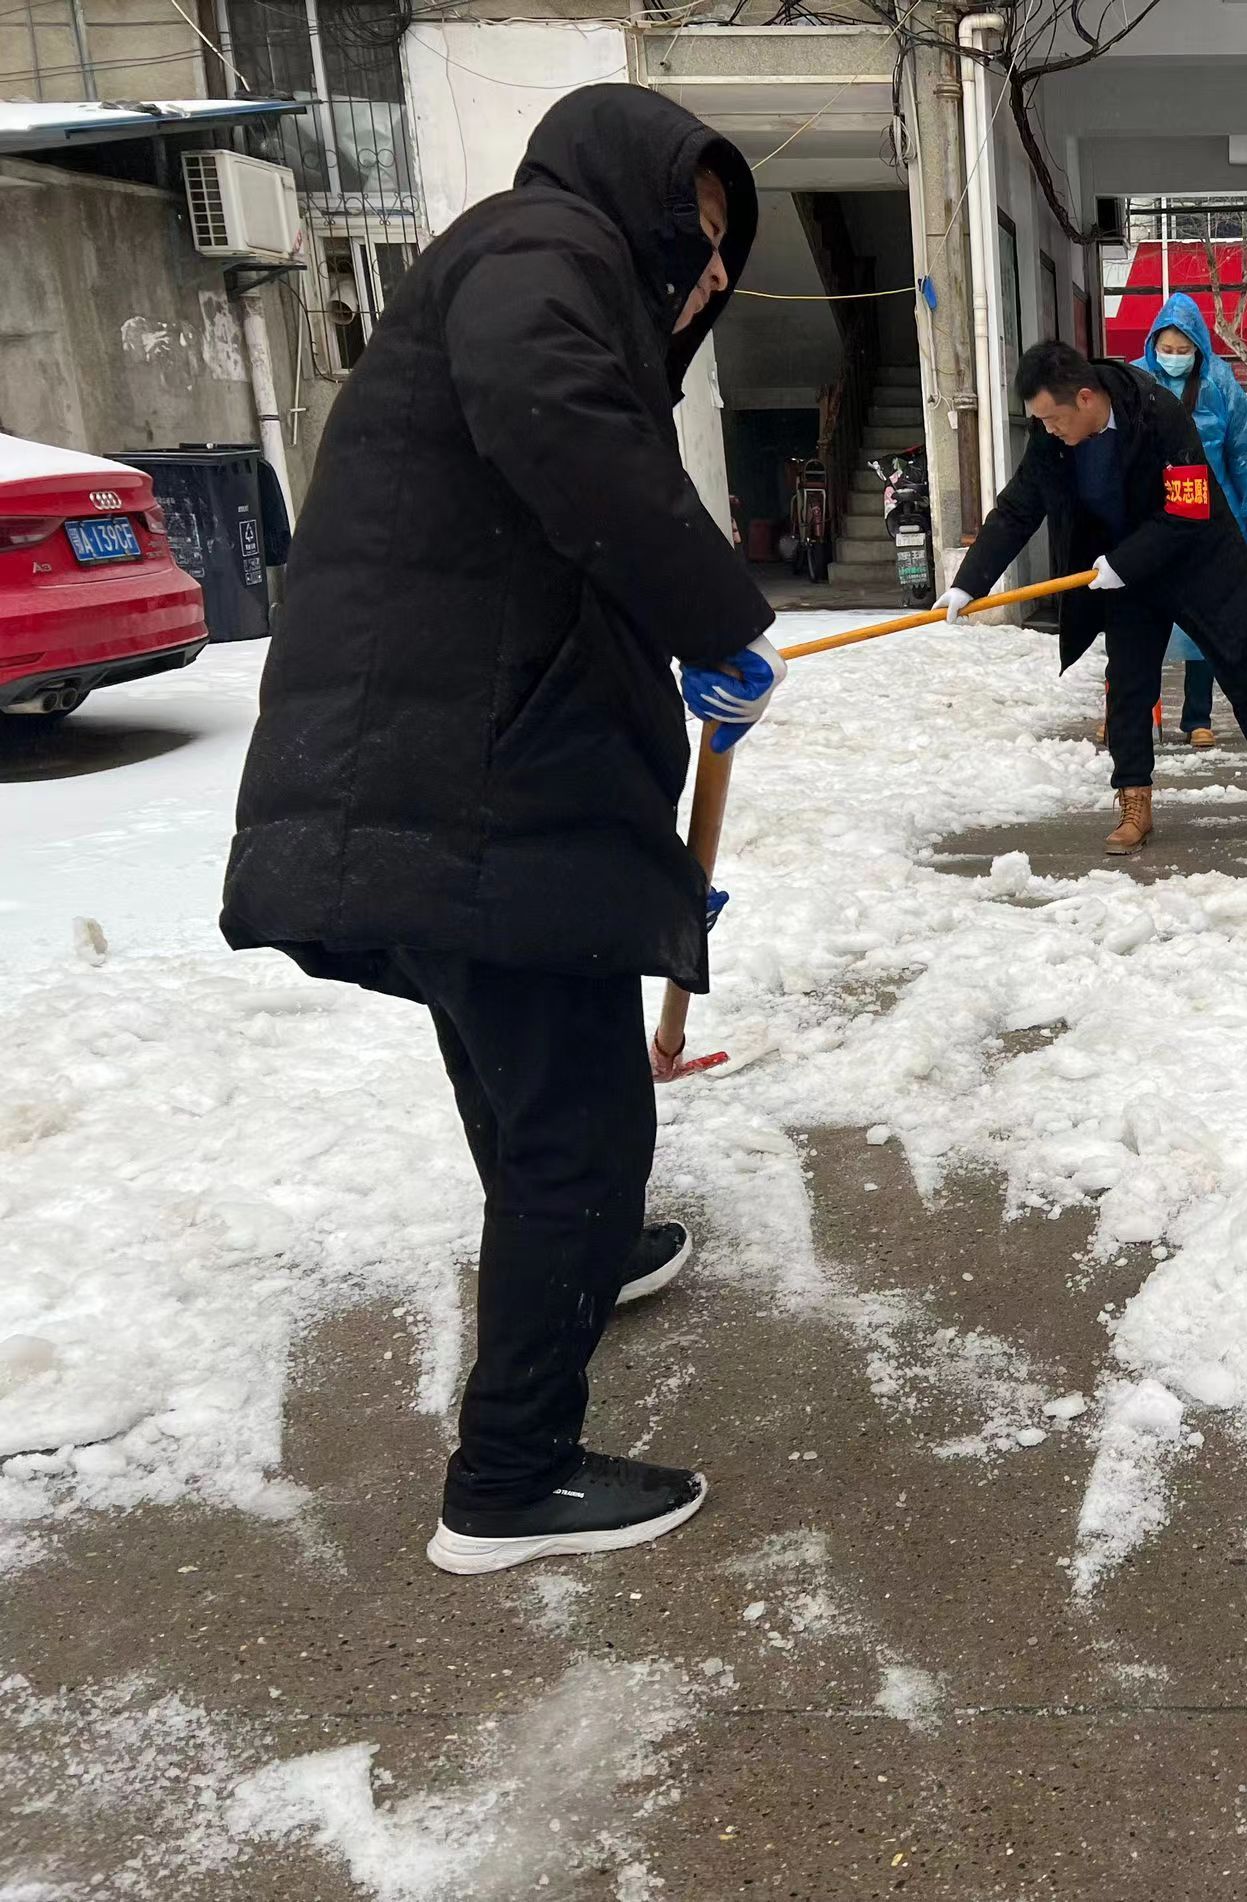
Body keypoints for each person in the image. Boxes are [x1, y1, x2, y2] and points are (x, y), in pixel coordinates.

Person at [222, 85, 782, 1573]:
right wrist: (715, 616)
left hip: (452, 779)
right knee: (583, 1126)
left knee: (521, 1078)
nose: (709, 269)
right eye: (697, 227)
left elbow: (550, 534)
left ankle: (583, 1247)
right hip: (469, 785)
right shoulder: (547, 249)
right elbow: (553, 416)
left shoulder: (521, 260)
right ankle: (511, 1480)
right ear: (628, 195)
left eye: (725, 249)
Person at [935, 339, 1247, 854]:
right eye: (1041, 421)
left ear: (1085, 398)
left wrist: (1122, 563)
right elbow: (1018, 507)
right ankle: (1134, 801)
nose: (1048, 429)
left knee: (1243, 677)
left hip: (1195, 563)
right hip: (1127, 577)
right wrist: (969, 582)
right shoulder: (1053, 437)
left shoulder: (1158, 412)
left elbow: (1188, 508)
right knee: (1129, 688)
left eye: (1053, 419)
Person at [1138, 292, 1247, 751]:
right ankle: (1135, 710)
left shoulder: (1218, 384)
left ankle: (1197, 716)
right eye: (1167, 349)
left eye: (1183, 350)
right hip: (1152, 519)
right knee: (1142, 619)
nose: (1174, 357)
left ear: (1198, 348)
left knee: (1206, 621)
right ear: (1153, 344)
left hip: (1209, 517)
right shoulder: (1136, 381)